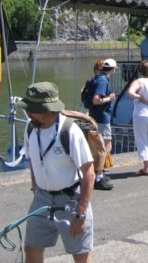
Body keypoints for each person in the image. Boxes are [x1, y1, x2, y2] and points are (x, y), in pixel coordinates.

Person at [18, 82, 95, 263]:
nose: (28, 113)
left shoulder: (69, 131)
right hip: (42, 199)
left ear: (47, 110)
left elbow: (89, 174)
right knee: (31, 249)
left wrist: (80, 214)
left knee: (81, 255)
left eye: (32, 109)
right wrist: (36, 187)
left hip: (70, 201)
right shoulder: (30, 128)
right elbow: (33, 159)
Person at [89, 59, 118, 191]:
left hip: (96, 116)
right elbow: (96, 100)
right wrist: (110, 98)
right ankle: (98, 177)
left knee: (100, 146)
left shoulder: (97, 78)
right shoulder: (103, 81)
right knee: (105, 146)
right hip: (102, 118)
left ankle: (98, 175)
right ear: (112, 69)